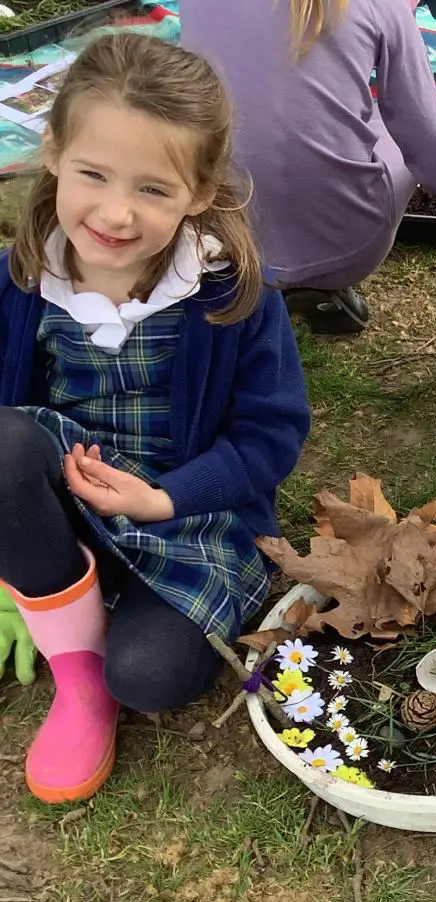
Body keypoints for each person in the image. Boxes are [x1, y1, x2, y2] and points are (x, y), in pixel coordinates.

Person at [0, 33, 310, 805]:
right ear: (51, 152)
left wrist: (162, 498)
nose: (115, 213)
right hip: (55, 499)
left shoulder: (231, 297)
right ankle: (74, 674)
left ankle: (86, 626)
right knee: (3, 445)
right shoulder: (18, 279)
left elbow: (271, 435)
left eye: (153, 190)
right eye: (93, 175)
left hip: (185, 516)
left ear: (200, 193)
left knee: (151, 676)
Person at [181, 0, 436, 334]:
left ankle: (264, 281)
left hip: (219, 241)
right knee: (388, 126)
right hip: (346, 247)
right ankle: (313, 281)